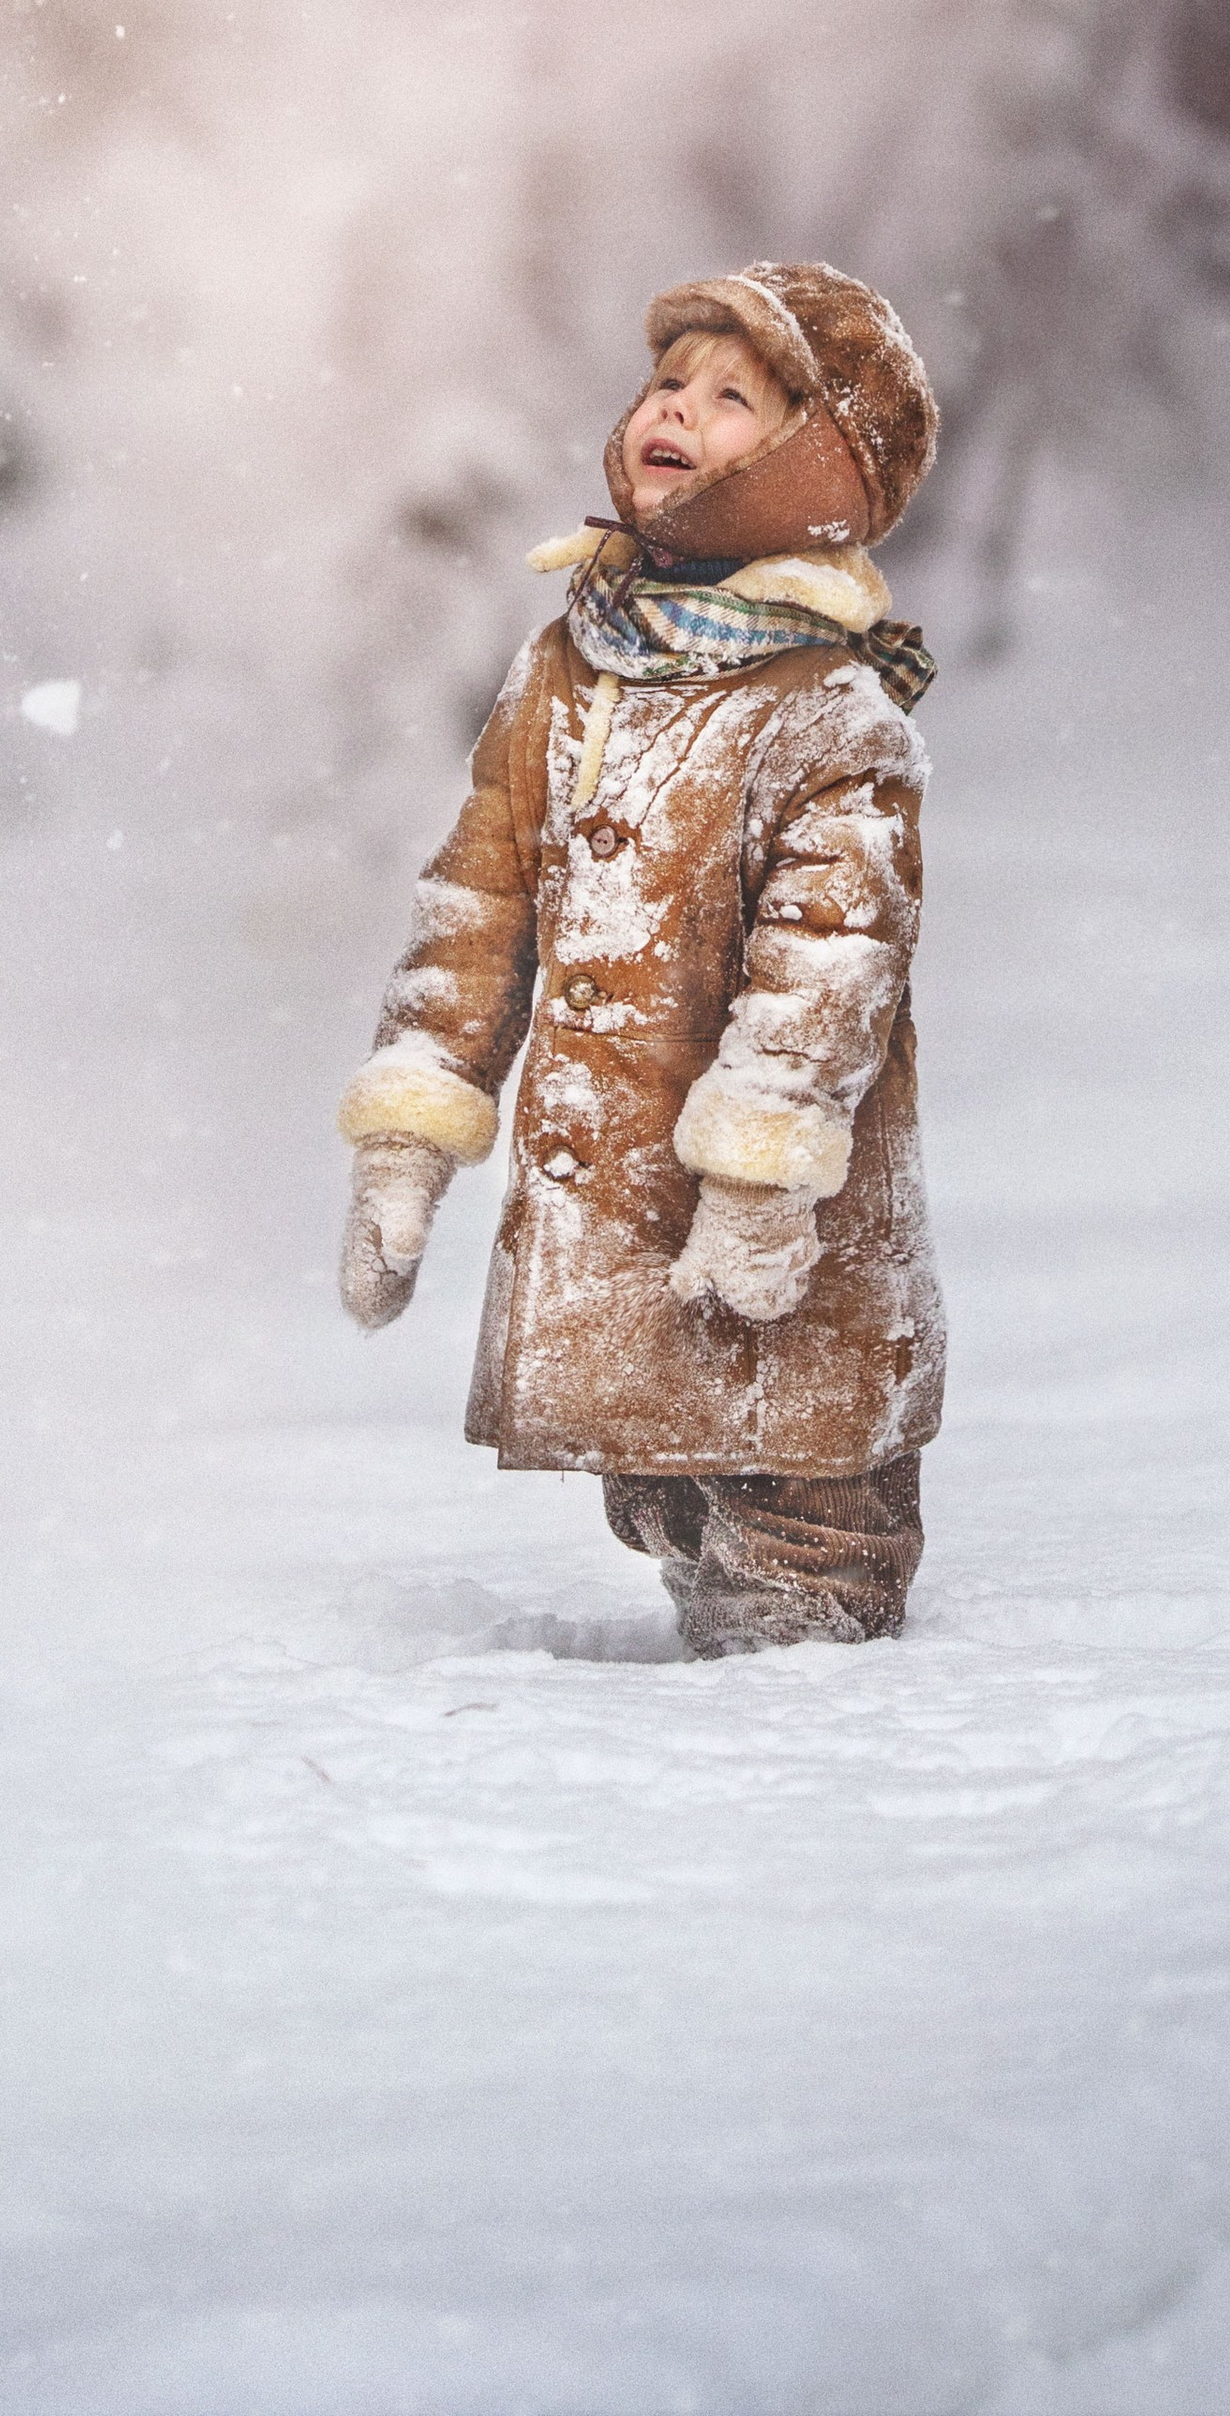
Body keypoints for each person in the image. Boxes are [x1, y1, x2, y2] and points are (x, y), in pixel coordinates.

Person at [335, 261, 945, 1657]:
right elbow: (478, 902)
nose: (677, 407)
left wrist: (762, 1171)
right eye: (669, 381)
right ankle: (709, 1647)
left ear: (818, 463)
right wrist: (410, 1133)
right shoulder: (567, 667)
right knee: (669, 1489)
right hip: (624, 1244)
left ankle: (824, 1680)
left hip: (784, 1245)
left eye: (734, 398)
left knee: (800, 1520)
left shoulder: (833, 710)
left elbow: (831, 960)